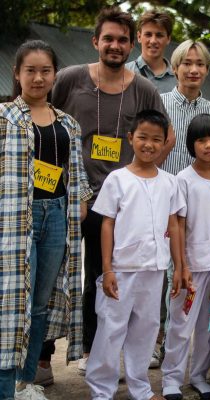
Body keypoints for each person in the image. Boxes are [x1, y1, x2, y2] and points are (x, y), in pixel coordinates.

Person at [45, 6, 169, 376]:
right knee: (54, 275)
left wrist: (144, 174)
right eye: (109, 38)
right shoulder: (69, 78)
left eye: (122, 40)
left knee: (102, 276)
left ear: (131, 46)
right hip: (69, 197)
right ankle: (40, 358)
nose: (115, 45)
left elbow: (165, 133)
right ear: (95, 40)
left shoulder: (143, 88)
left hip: (118, 205)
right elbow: (41, 118)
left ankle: (92, 351)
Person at [0, 40, 92, 400]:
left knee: (39, 304)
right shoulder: (5, 117)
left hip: (56, 216)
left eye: (45, 71)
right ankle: (6, 386)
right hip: (14, 220)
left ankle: (26, 381)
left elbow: (77, 173)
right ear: (17, 73)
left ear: (55, 74)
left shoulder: (67, 122)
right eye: (30, 70)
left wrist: (80, 202)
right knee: (11, 302)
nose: (38, 78)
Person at [85, 110, 181, 400]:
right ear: (131, 138)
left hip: (154, 268)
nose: (149, 145)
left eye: (156, 139)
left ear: (165, 143)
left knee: (146, 329)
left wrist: (178, 266)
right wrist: (107, 268)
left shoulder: (170, 182)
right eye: (143, 137)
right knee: (111, 329)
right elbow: (107, 223)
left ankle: (141, 388)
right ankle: (102, 390)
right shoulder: (117, 179)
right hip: (122, 268)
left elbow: (174, 224)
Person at [161, 114, 210, 400]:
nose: (209, 145)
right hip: (190, 267)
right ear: (191, 145)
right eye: (202, 140)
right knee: (180, 324)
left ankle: (200, 375)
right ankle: (171, 380)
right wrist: (182, 266)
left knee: (207, 326)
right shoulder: (183, 180)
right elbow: (176, 224)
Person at [160, 40, 210, 176]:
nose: (194, 70)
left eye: (200, 64)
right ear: (174, 68)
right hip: (160, 190)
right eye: (187, 63)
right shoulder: (158, 104)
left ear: (207, 70)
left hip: (197, 192)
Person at [126, 11, 176, 94]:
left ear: (168, 39)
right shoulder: (124, 73)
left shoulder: (179, 78)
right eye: (148, 34)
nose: (153, 41)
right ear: (139, 37)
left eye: (159, 35)